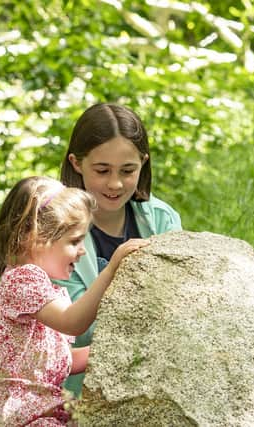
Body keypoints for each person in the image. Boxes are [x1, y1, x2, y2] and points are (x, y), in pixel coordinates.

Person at [0, 176, 148, 426]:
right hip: (15, 414)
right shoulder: (23, 278)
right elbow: (73, 321)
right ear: (34, 237)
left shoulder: (44, 290)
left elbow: (64, 360)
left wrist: (122, 350)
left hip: (38, 411)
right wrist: (110, 271)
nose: (82, 250)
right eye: (74, 241)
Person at [55, 103, 182, 397]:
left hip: (155, 380)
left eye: (128, 170)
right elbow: (71, 328)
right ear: (76, 163)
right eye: (102, 170)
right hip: (74, 390)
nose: (115, 183)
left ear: (143, 163)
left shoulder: (163, 220)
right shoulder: (53, 228)